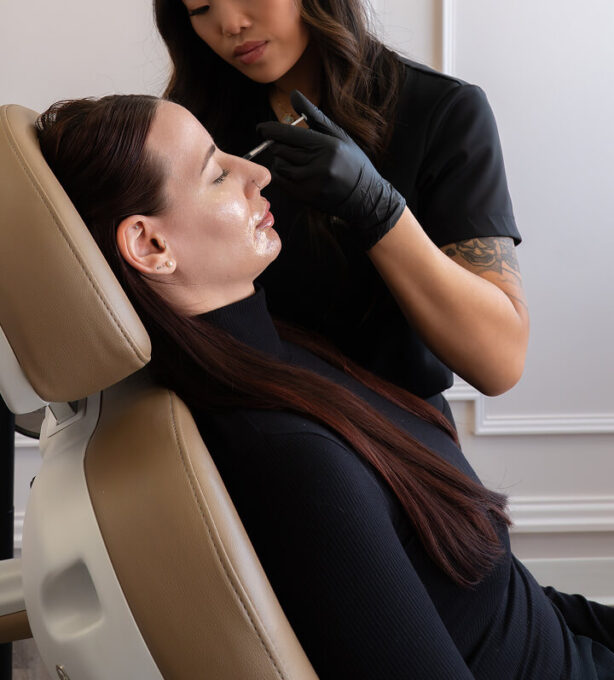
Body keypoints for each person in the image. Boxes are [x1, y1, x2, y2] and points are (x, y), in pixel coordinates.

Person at [37, 94, 613, 680]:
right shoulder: (291, 459)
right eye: (216, 173)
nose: (259, 173)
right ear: (151, 246)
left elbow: (502, 606)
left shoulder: (281, 360)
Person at [153, 0, 529, 419]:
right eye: (200, 10)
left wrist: (377, 210)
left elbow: (500, 362)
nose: (229, 23)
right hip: (246, 432)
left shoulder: (442, 113)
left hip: (392, 441)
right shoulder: (197, 130)